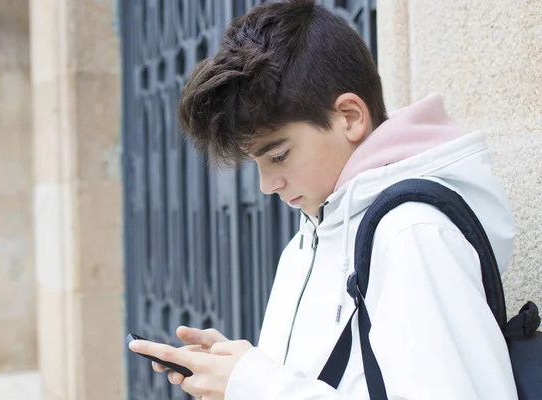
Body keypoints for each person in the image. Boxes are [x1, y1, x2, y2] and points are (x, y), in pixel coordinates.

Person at [128, 1, 518, 399]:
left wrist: (255, 386)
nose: (267, 184)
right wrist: (237, 372)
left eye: (279, 155)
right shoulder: (313, 233)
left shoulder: (411, 234)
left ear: (349, 116)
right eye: (256, 163)